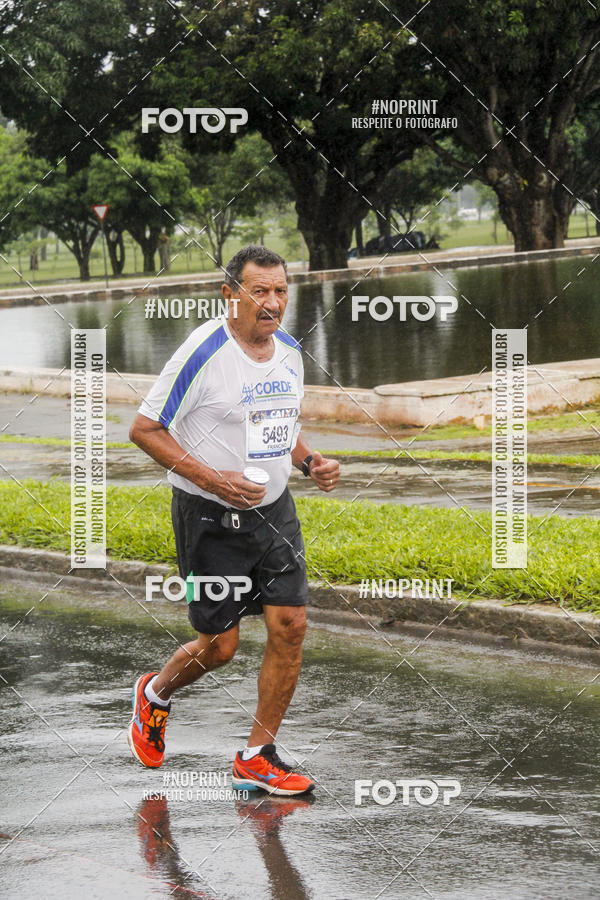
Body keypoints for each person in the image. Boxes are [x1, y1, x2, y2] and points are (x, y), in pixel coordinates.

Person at [127, 244, 340, 796]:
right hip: (210, 516)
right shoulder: (203, 351)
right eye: (259, 291)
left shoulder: (290, 352)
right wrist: (215, 480)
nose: (271, 304)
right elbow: (145, 430)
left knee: (291, 626)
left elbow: (279, 424)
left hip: (275, 512)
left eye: (280, 292)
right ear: (231, 295)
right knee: (220, 648)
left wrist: (309, 460)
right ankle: (156, 692)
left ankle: (257, 754)